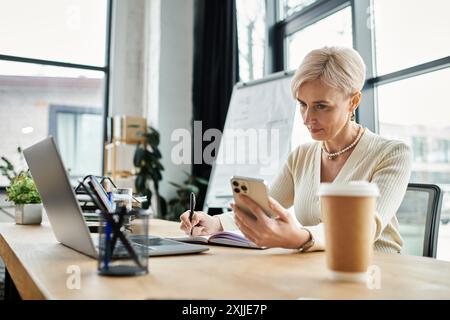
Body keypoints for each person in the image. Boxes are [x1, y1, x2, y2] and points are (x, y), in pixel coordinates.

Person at [180, 46, 412, 253]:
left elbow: (364, 227)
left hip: (377, 273)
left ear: (353, 102)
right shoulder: (302, 156)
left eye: (321, 106)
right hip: (319, 269)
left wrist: (301, 237)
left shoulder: (392, 154)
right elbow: (263, 209)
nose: (308, 118)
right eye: (303, 104)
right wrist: (214, 223)